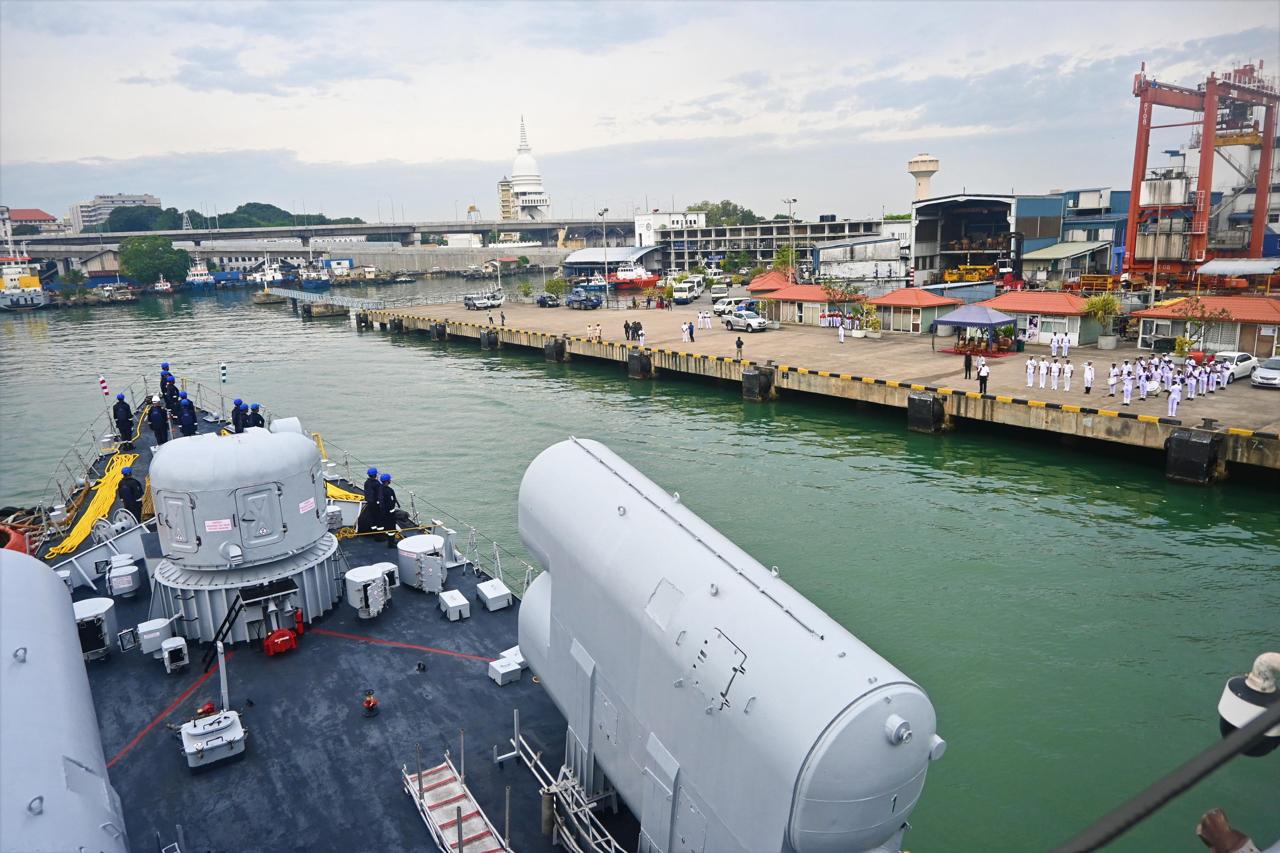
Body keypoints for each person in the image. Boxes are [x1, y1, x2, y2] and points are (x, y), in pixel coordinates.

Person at [357, 467, 382, 532]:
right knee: (378, 518)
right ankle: (379, 535)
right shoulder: (377, 484)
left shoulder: (366, 482)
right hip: (375, 503)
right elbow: (379, 494)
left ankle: (373, 531)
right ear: (376, 475)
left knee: (372, 518)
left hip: (369, 502)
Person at [377, 473, 399, 543]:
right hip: (389, 512)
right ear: (387, 481)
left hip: (382, 511)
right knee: (391, 528)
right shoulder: (388, 490)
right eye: (389, 479)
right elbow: (390, 501)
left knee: (386, 525)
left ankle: (387, 538)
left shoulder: (380, 488)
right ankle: (391, 542)